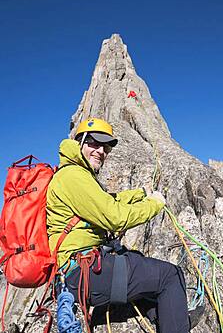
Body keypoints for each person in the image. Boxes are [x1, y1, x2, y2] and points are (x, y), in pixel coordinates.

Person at [47, 117, 190, 333]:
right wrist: (154, 205)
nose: (101, 151)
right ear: (80, 142)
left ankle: (170, 318)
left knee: (138, 262)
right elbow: (115, 216)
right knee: (170, 276)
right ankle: (177, 325)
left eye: (105, 147)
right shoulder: (73, 176)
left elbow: (109, 200)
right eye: (94, 143)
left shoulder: (77, 174)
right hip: (83, 273)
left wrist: (141, 194)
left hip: (79, 271)